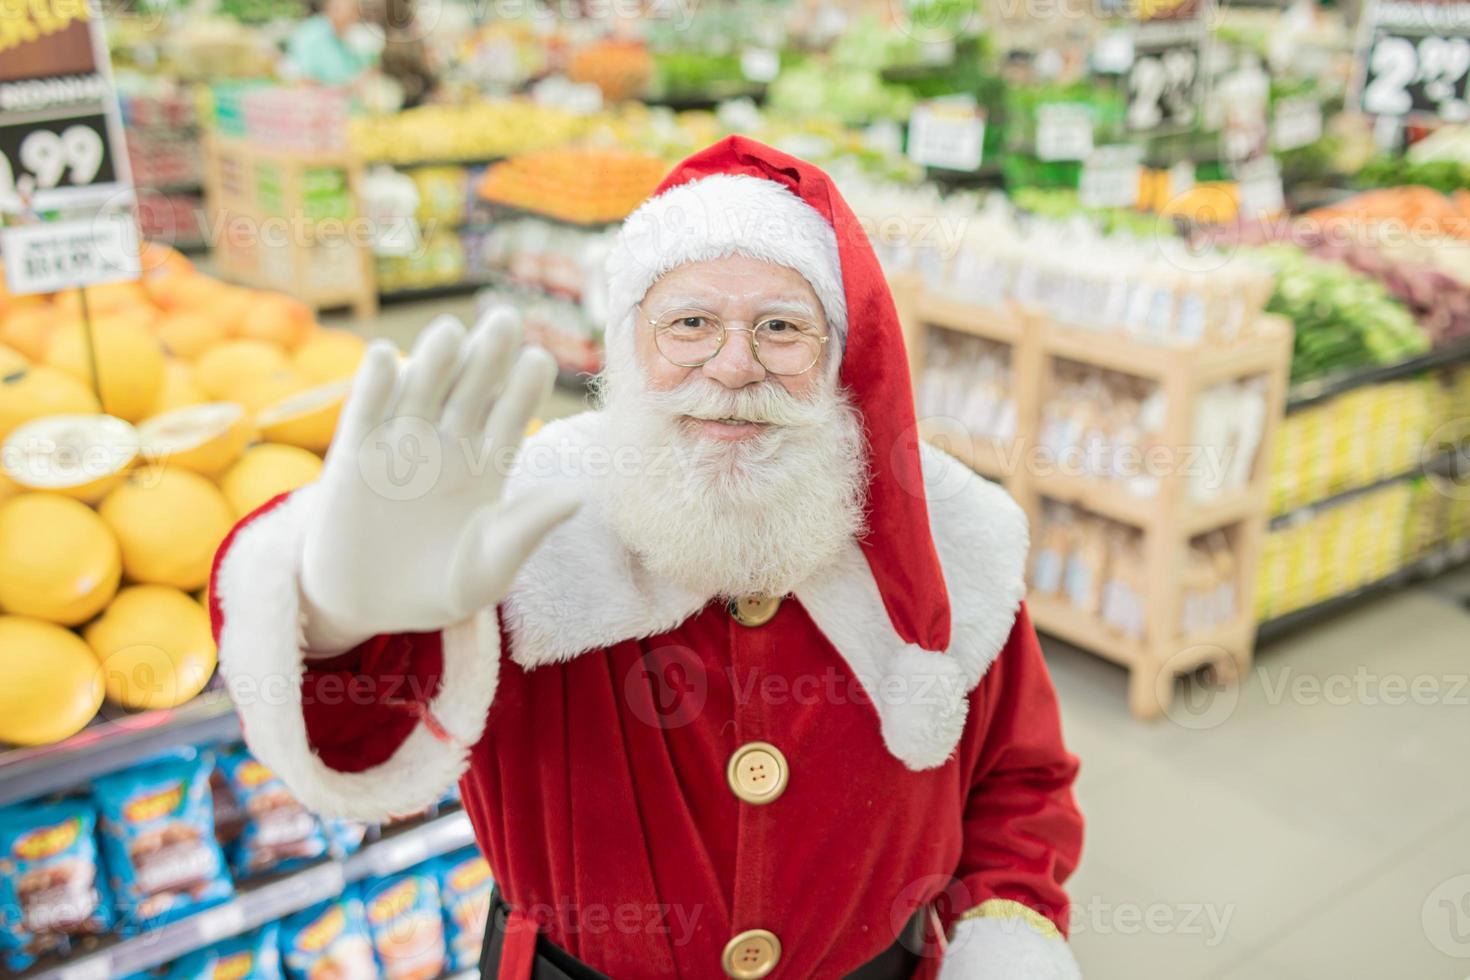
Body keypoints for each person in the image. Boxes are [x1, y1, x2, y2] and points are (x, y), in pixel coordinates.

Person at [209, 136, 1084, 980]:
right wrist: (335, 617)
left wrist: (1007, 930)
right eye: (690, 323)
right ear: (629, 346)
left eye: (783, 329)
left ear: (843, 362)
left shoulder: (952, 540)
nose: (735, 366)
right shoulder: (524, 530)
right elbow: (358, 742)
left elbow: (1019, 778)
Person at [285, 0, 373, 87]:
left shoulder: (347, 36)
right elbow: (302, 78)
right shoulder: (311, 34)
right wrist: (343, 87)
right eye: (351, 11)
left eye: (355, 12)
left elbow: (361, 71)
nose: (354, 17)